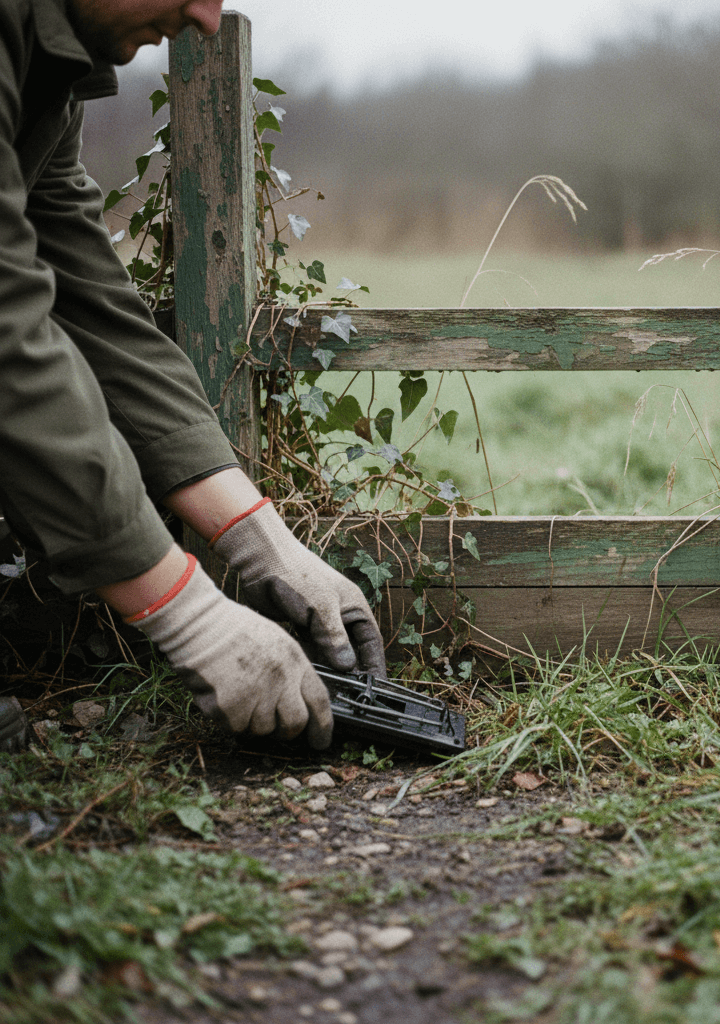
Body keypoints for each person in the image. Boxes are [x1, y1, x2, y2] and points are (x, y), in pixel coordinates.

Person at [0, 0, 386, 753]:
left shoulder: (45, 61)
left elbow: (89, 302)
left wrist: (261, 538)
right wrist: (188, 613)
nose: (208, 19)